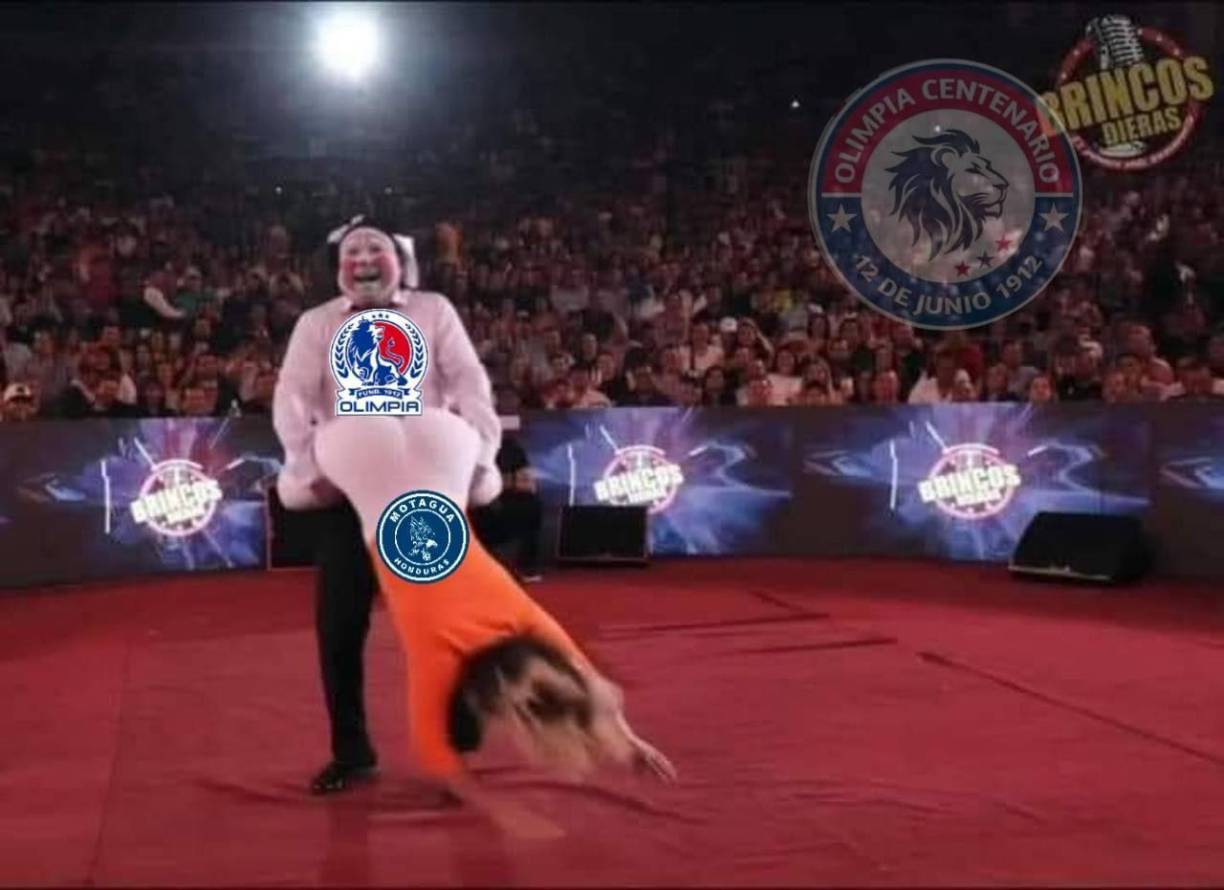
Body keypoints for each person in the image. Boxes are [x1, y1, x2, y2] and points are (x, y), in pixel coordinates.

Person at [313, 408, 675, 839]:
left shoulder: (521, 617)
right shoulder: (439, 651)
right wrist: (497, 809)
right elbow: (432, 750)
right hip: (380, 469)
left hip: (427, 461)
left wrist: (630, 741)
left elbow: (586, 677)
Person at [273, 216, 503, 795]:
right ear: (337, 268)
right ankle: (351, 753)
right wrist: (309, 469)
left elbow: (471, 386)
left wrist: (479, 459)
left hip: (426, 489)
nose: (364, 259)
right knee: (339, 626)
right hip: (348, 491)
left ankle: (455, 752)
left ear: (402, 260)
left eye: (376, 249)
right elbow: (292, 398)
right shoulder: (316, 323)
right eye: (352, 252)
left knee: (444, 623)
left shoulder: (434, 311)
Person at [472, 433, 544, 582]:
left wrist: (501, 485)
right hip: (470, 506)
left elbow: (528, 484)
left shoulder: (510, 448)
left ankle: (527, 566)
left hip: (503, 501)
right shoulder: (465, 445)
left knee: (532, 504)